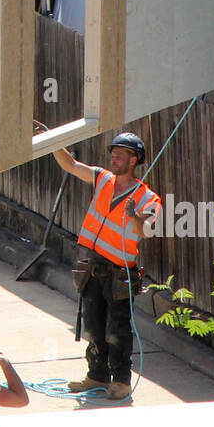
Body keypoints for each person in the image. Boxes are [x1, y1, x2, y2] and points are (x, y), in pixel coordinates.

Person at [53, 132, 161, 401]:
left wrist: (134, 215)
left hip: (119, 273)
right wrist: (52, 142)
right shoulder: (102, 179)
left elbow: (147, 231)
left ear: (134, 159)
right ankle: (97, 375)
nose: (114, 155)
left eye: (121, 152)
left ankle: (121, 382)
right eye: (113, 151)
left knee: (119, 328)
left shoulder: (149, 198)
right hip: (92, 265)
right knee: (94, 324)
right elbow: (71, 165)